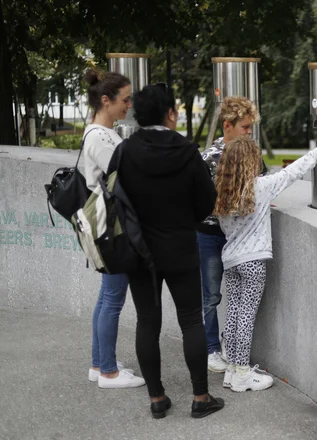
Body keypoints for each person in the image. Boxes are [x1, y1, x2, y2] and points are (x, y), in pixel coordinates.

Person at [108, 83, 223, 419]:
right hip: (181, 248)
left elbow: (113, 197)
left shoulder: (125, 150)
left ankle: (157, 399)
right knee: (191, 321)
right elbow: (207, 203)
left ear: (139, 115)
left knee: (147, 322)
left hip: (139, 251)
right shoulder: (187, 151)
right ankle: (201, 398)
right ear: (171, 113)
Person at [214, 134, 317, 392]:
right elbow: (292, 173)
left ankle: (233, 370)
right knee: (246, 317)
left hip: (231, 261)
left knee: (233, 315)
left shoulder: (223, 194)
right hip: (253, 262)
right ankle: (243, 374)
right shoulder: (261, 187)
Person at [82, 69, 146, 389]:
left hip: (110, 225)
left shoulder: (106, 133)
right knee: (112, 299)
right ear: (106, 101)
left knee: (107, 297)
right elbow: (126, 178)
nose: (129, 105)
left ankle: (99, 363)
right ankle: (108, 371)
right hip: (112, 228)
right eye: (125, 99)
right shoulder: (98, 136)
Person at [197, 96, 266, 375]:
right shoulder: (208, 159)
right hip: (210, 234)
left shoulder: (251, 154)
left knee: (237, 295)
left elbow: (260, 183)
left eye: (251, 127)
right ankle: (211, 348)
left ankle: (229, 344)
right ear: (228, 125)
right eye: (245, 127)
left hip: (240, 237)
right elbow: (198, 200)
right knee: (211, 295)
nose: (249, 132)